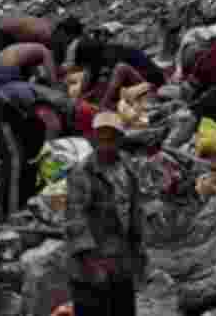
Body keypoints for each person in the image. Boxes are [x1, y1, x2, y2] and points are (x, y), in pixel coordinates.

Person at [65, 112, 147, 316]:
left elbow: (135, 210)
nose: (106, 143)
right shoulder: (82, 172)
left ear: (120, 140)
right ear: (93, 139)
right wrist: (92, 262)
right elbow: (76, 218)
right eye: (101, 137)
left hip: (121, 260)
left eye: (111, 138)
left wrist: (139, 253)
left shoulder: (127, 168)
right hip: (91, 263)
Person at [0, 81, 89, 216]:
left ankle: (23, 202)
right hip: (3, 106)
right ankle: (12, 214)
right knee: (15, 160)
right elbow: (53, 127)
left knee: (29, 159)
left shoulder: (55, 105)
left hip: (14, 109)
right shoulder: (59, 108)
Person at [64, 37, 166, 109]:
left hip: (149, 82)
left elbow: (113, 79)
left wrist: (102, 104)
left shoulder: (108, 57)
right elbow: (91, 76)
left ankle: (105, 105)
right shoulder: (100, 55)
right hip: (137, 79)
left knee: (117, 72)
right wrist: (82, 96)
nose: (83, 67)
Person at [0, 15, 85, 59]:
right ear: (64, 32)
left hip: (0, 32)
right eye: (69, 38)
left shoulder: (50, 26)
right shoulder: (47, 34)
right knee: (5, 66)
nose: (68, 41)